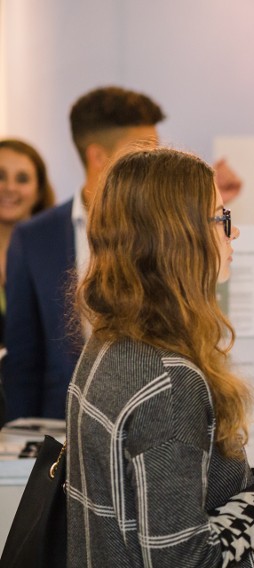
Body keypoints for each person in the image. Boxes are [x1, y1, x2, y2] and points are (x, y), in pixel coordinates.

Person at [66, 146, 254, 567]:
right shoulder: (168, 381)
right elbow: (188, 558)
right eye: (222, 218)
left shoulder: (109, 343)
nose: (233, 234)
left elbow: (162, 499)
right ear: (180, 235)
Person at [2, 86, 164, 421]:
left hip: (148, 422)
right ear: (98, 156)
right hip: (59, 427)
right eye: (144, 150)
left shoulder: (161, 230)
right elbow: (23, 357)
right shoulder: (35, 237)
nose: (155, 160)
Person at [0, 138, 56, 347]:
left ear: (39, 191)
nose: (10, 188)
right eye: (1, 176)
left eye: (22, 179)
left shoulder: (57, 254)